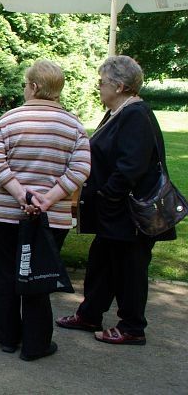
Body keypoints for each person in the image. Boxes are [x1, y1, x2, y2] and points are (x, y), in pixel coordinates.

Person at [56, 55, 176, 345]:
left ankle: (132, 327)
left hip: (129, 214)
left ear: (120, 86)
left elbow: (130, 167)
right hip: (116, 212)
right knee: (102, 262)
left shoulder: (135, 114)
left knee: (129, 269)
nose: (99, 87)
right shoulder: (120, 111)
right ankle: (90, 314)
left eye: (102, 82)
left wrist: (105, 194)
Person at [0, 59, 91, 361]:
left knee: (5, 274)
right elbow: (81, 168)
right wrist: (48, 199)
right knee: (39, 277)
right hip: (51, 217)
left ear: (33, 87)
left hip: (5, 213)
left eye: (25, 84)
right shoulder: (73, 125)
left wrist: (21, 194)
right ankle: (36, 344)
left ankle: (7, 338)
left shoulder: (8, 120)